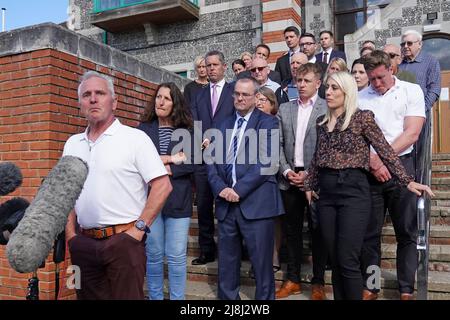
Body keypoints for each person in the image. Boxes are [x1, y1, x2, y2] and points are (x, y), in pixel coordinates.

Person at [304, 71, 434, 300]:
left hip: (354, 193)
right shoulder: (321, 122)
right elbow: (317, 157)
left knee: (347, 258)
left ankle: (392, 288)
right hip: (327, 195)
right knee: (335, 260)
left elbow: (385, 150)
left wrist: (407, 180)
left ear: (347, 92)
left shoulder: (362, 117)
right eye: (328, 87)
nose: (329, 92)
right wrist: (308, 184)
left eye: (335, 88)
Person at [63, 71, 172, 300]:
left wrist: (138, 230)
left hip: (124, 243)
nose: (93, 99)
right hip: (83, 244)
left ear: (114, 102)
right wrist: (71, 236)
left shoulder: (135, 138)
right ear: (80, 103)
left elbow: (163, 185)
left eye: (100, 93)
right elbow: (67, 194)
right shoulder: (72, 144)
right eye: (86, 95)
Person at [359, 50, 429, 300]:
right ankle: (372, 285)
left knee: (406, 232)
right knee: (369, 234)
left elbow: (411, 133)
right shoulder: (359, 97)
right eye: (372, 79)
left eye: (380, 77)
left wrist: (383, 159)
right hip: (370, 171)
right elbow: (356, 139)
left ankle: (406, 289)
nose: (376, 84)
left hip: (402, 168)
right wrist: (373, 162)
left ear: (391, 69)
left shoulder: (412, 91)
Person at [207, 77, 284, 300]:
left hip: (257, 204)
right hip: (225, 205)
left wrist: (237, 190)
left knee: (262, 266)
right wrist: (221, 188)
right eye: (237, 94)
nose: (240, 98)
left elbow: (267, 163)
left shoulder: (267, 122)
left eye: (245, 95)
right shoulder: (222, 124)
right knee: (227, 266)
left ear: (255, 97)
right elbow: (210, 161)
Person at [137, 82, 194, 300]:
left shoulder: (187, 131)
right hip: (150, 201)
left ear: (175, 103)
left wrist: (161, 164)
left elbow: (193, 162)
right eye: (158, 97)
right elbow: (138, 162)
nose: (160, 102)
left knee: (177, 256)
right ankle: (155, 298)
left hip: (178, 200)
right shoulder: (143, 130)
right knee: (153, 255)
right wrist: (171, 160)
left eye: (167, 98)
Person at [275, 63, 327, 300]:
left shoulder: (327, 108)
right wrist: (286, 172)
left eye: (306, 81)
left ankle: (318, 283)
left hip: (315, 180)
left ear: (318, 83)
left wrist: (309, 174)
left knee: (318, 232)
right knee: (292, 232)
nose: (302, 85)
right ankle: (293, 279)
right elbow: (277, 146)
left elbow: (326, 147)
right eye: (299, 81)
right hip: (289, 179)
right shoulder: (284, 109)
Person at [190, 50, 235, 265]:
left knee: (227, 206)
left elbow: (237, 121)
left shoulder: (234, 91)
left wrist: (217, 139)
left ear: (224, 67)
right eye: (208, 65)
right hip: (203, 158)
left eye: (215, 65)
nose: (211, 69)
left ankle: (232, 249)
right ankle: (207, 250)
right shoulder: (198, 95)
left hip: (228, 158)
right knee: (205, 205)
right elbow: (195, 124)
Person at [255, 86, 281, 272]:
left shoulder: (277, 121)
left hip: (278, 175)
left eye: (263, 99)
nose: (258, 102)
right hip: (255, 177)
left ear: (272, 105)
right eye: (256, 99)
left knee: (275, 219)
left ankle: (274, 255)